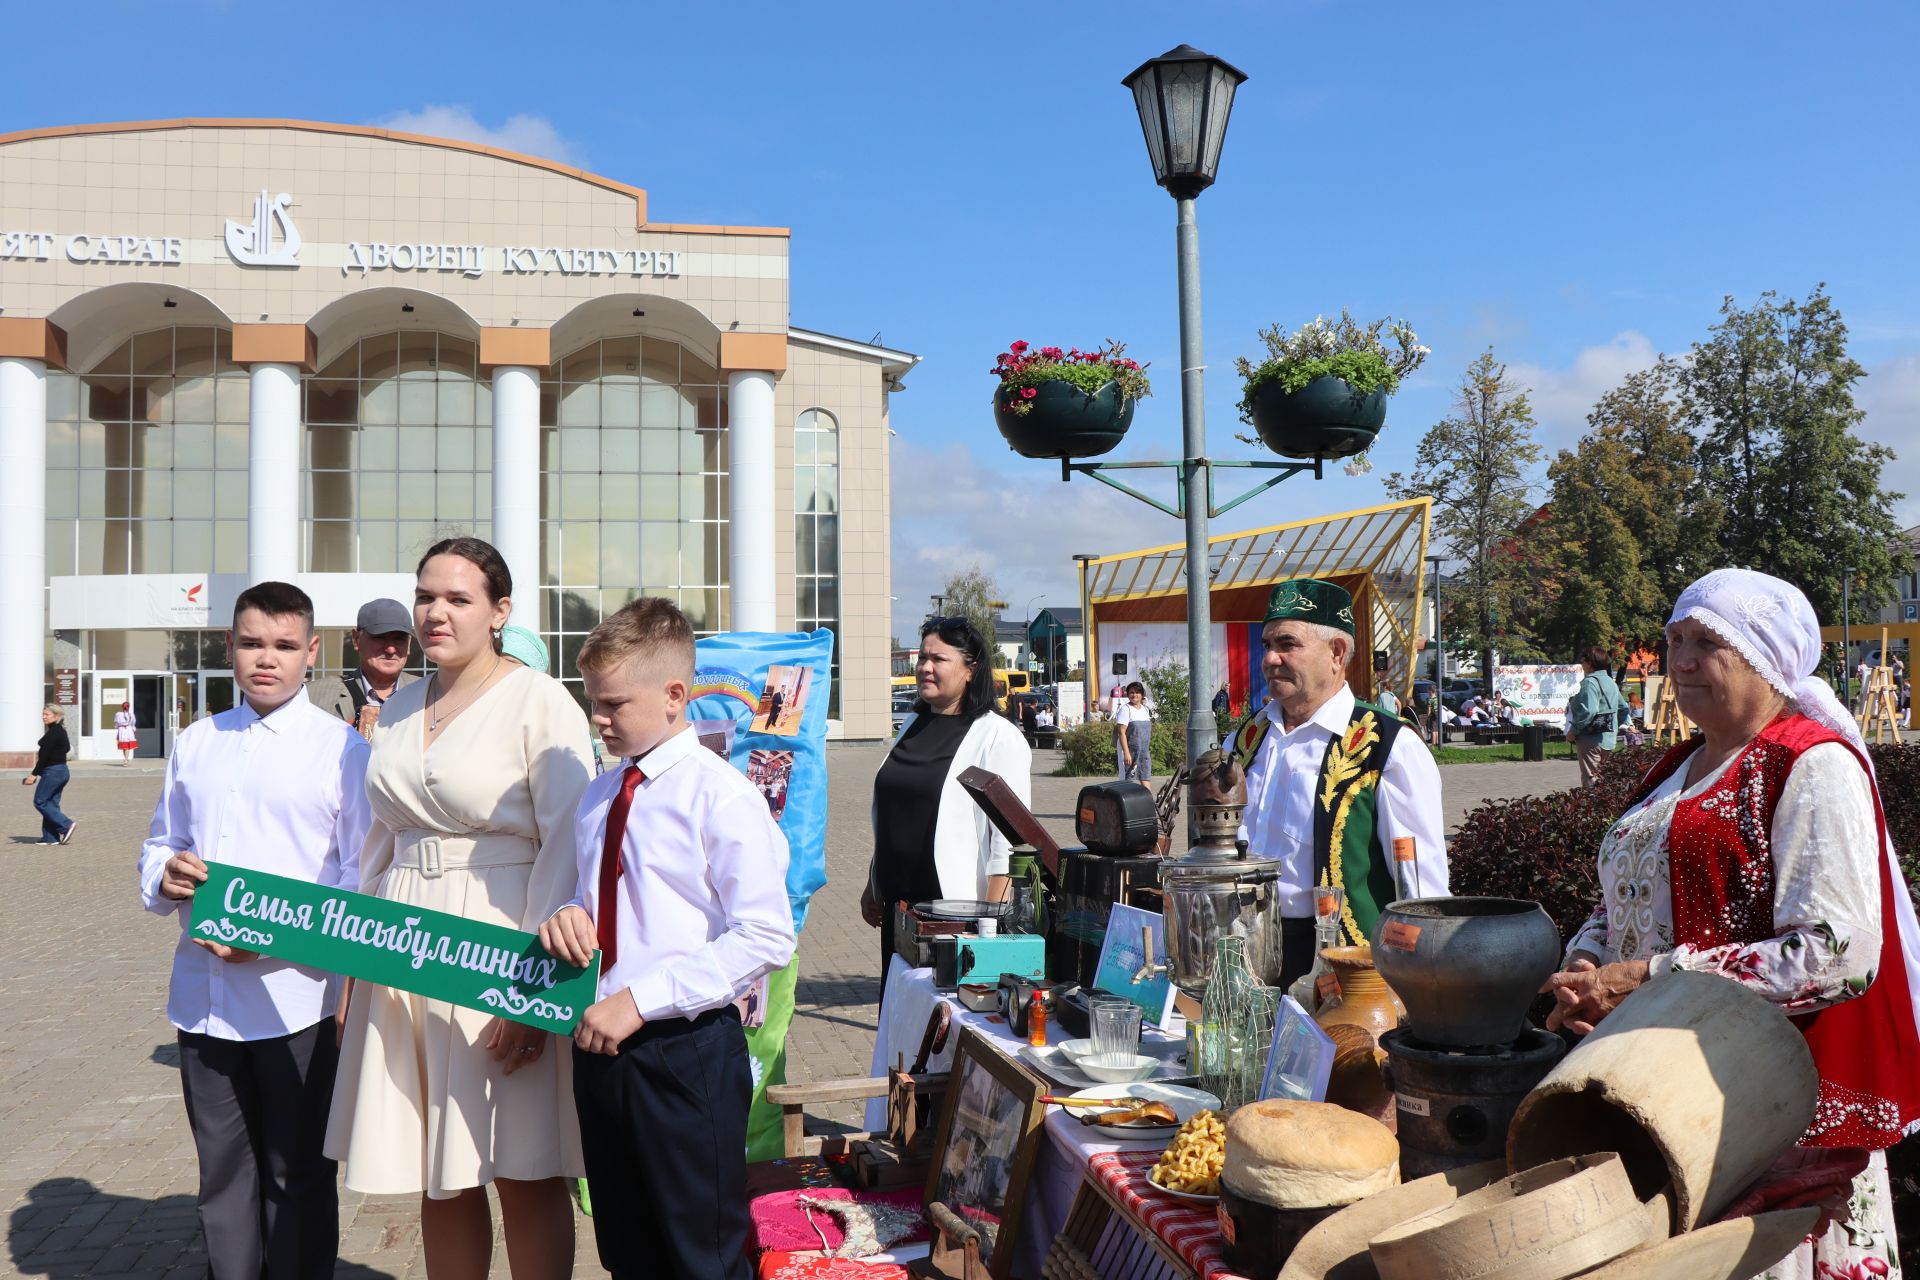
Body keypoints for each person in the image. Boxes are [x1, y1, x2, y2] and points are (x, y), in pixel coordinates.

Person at [1541, 569, 1920, 1280]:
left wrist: (1650, 981)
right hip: (1661, 1092)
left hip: (1760, 1104)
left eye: (1708, 643)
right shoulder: (1681, 763)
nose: (1679, 662)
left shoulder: (1809, 765)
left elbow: (1838, 952)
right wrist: (1588, 962)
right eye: (1675, 639)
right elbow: (1620, 893)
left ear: (1766, 657)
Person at [326, 536, 592, 1279]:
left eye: (458, 598)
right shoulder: (404, 703)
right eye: (425, 597)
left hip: (499, 939)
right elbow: (379, 840)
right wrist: (355, 961)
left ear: (499, 611)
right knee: (436, 1168)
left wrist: (536, 990)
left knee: (521, 1162)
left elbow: (569, 845)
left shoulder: (540, 699)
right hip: (404, 936)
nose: (435, 613)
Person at [540, 598, 795, 1280]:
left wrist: (642, 999)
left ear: (674, 696)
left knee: (699, 1256)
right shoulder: (600, 796)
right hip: (600, 1048)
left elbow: (767, 935)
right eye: (593, 701)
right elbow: (596, 897)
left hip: (683, 1053)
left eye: (613, 704)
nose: (598, 719)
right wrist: (567, 915)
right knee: (627, 1249)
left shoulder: (720, 796)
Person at [137, 581, 372, 1278]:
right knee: (220, 1182)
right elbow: (159, 842)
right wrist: (167, 873)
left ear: (311, 653)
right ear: (229, 646)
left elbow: (358, 879)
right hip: (202, 1002)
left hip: (296, 1001)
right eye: (250, 644)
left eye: (283, 646)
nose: (265, 659)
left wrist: (274, 935)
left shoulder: (342, 752)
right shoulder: (197, 741)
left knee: (294, 1176)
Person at [1231, 578, 1448, 984]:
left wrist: (1414, 986)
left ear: (1336, 652)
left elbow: (1420, 891)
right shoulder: (1247, 738)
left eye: (1287, 644)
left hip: (1344, 966)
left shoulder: (1389, 744)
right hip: (1247, 950)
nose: (1270, 659)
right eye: (1267, 645)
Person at [860, 616, 1031, 976]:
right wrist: (873, 882)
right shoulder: (912, 724)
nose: (925, 668)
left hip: (955, 919)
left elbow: (1009, 842)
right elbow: (897, 812)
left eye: (938, 660)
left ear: (971, 669)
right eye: (922, 658)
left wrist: (989, 931)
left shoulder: (997, 737)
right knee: (900, 1018)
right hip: (901, 913)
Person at [306, 598, 420, 737]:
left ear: (409, 645)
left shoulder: (428, 694)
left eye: (399, 639)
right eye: (380, 637)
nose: (390, 649)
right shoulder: (314, 697)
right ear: (356, 639)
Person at [1565, 646, 1626, 787]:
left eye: (1583, 660)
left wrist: (1573, 731)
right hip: (1609, 739)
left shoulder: (1590, 682)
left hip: (1591, 739)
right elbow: (1624, 708)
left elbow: (1589, 711)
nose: (1581, 663)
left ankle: (1593, 808)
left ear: (1590, 663)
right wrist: (1614, 725)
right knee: (1603, 780)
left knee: (1591, 780)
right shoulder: (1611, 682)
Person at [25, 705, 75, 845]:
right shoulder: (59, 731)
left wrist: (34, 774)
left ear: (57, 716)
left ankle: (66, 825)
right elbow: (65, 748)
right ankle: (50, 837)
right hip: (61, 771)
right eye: (43, 714)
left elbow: (45, 756)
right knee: (51, 804)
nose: (43, 716)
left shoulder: (54, 732)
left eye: (47, 714)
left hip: (53, 772)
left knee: (40, 801)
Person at [1115, 682, 1152, 783]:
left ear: (1142, 694)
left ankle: (1147, 799)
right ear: (1127, 694)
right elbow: (1121, 733)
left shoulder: (1145, 710)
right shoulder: (1125, 710)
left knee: (1145, 776)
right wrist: (1126, 753)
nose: (1134, 695)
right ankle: (1126, 798)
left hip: (1143, 751)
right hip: (1130, 751)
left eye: (1137, 692)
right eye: (1131, 692)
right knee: (1128, 780)